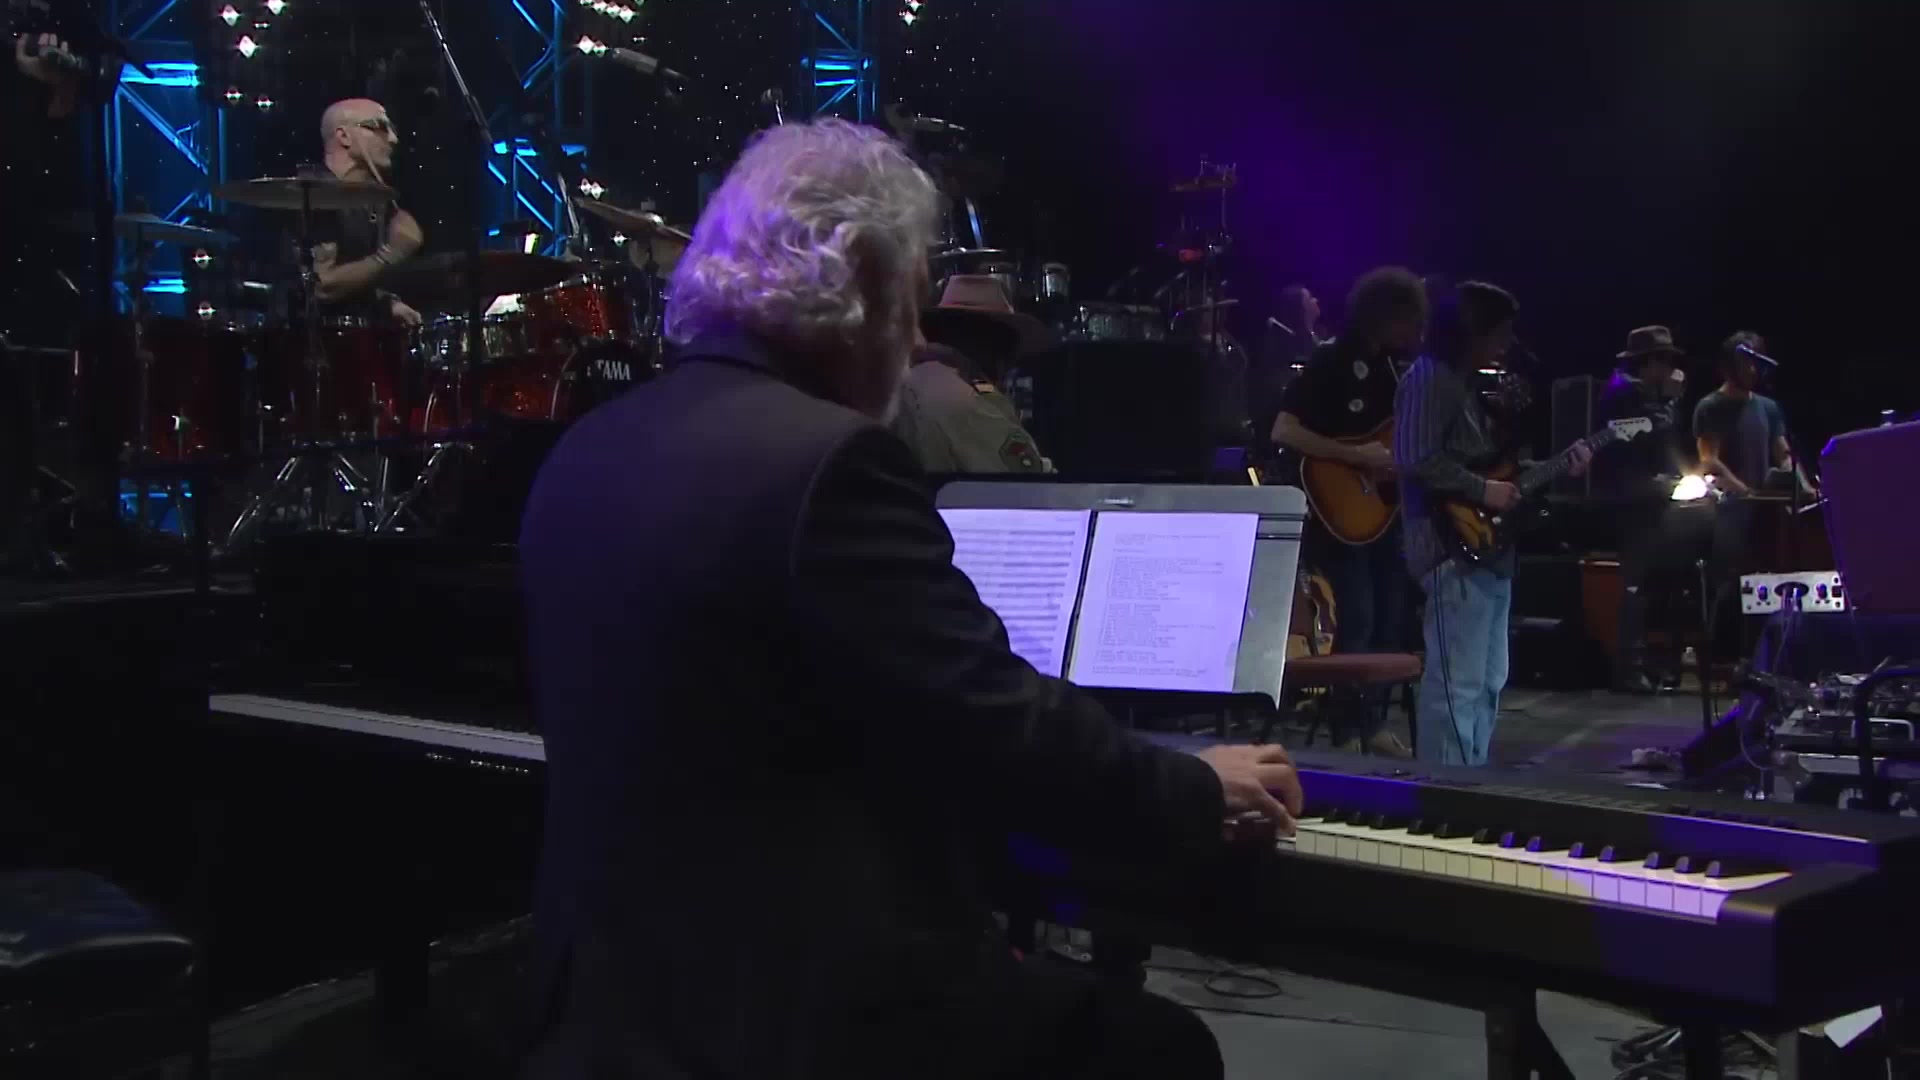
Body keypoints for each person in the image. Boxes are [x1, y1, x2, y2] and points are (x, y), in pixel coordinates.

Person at [517, 119, 1303, 1080]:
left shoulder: (586, 448)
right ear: (857, 280)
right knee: (1164, 1051)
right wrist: (1196, 786)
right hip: (787, 1021)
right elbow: (994, 720)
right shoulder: (829, 463)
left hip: (600, 1006)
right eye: (913, 293)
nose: (921, 335)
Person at [1395, 282, 1588, 766]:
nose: (1505, 344)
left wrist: (1556, 466)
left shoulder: (1465, 384)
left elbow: (1489, 465)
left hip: (1488, 549)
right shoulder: (1429, 378)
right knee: (1457, 681)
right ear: (1469, 331)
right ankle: (1445, 785)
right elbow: (1415, 458)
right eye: (1498, 332)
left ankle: (1472, 774)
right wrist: (1484, 491)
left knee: (1487, 679)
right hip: (1449, 547)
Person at [1271, 267, 1428, 757]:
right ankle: (1345, 730)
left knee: (1390, 616)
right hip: (1337, 513)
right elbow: (1284, 430)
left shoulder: (1397, 369)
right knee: (1357, 616)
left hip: (1381, 514)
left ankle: (1373, 723)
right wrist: (1355, 456)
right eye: (1409, 317)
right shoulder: (1331, 360)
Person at [1593, 326, 1689, 694]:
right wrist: (1672, 401)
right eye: (1663, 361)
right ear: (1648, 363)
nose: (1669, 370)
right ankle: (1630, 668)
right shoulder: (1627, 392)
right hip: (1630, 501)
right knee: (1635, 584)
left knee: (1648, 583)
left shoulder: (1637, 391)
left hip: (1643, 497)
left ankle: (1651, 662)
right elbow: (1653, 432)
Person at [308, 98, 423, 325]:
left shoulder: (373, 200)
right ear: (344, 136)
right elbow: (320, 287)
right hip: (311, 338)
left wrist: (386, 302)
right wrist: (390, 254)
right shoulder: (313, 195)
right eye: (379, 127)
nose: (393, 139)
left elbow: (358, 280)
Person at [1693, 331, 1802, 498]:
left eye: (1755, 363)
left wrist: (1803, 487)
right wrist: (1746, 493)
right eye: (1745, 364)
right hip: (1728, 505)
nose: (1752, 370)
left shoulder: (1768, 407)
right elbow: (1709, 460)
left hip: (1764, 504)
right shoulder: (1710, 407)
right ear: (1729, 367)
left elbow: (1784, 455)